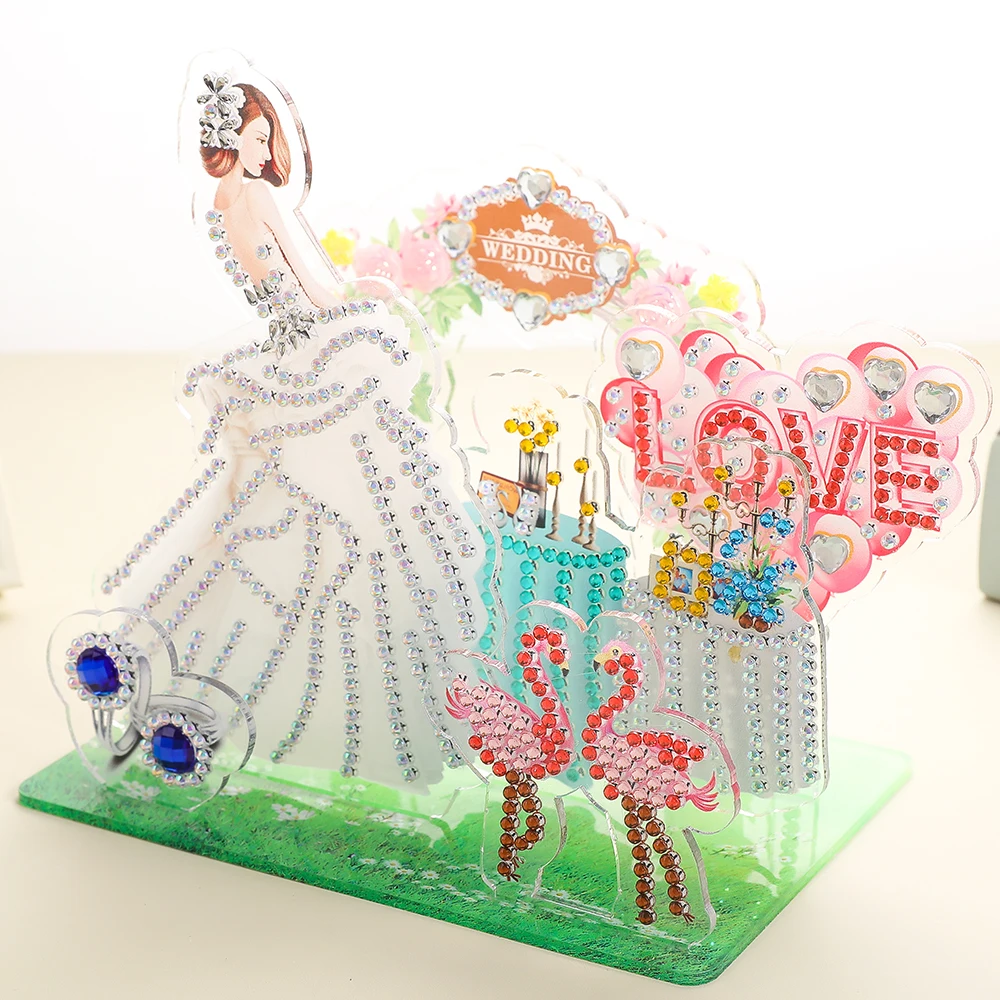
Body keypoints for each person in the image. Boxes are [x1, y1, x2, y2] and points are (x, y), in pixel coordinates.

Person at [101, 71, 490, 793]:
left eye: (268, 139)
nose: (264, 151)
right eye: (256, 138)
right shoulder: (258, 196)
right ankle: (351, 715)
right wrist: (362, 316)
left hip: (276, 356)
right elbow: (315, 286)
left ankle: (189, 673)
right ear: (232, 140)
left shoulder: (218, 204)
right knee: (361, 504)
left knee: (259, 510)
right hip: (309, 350)